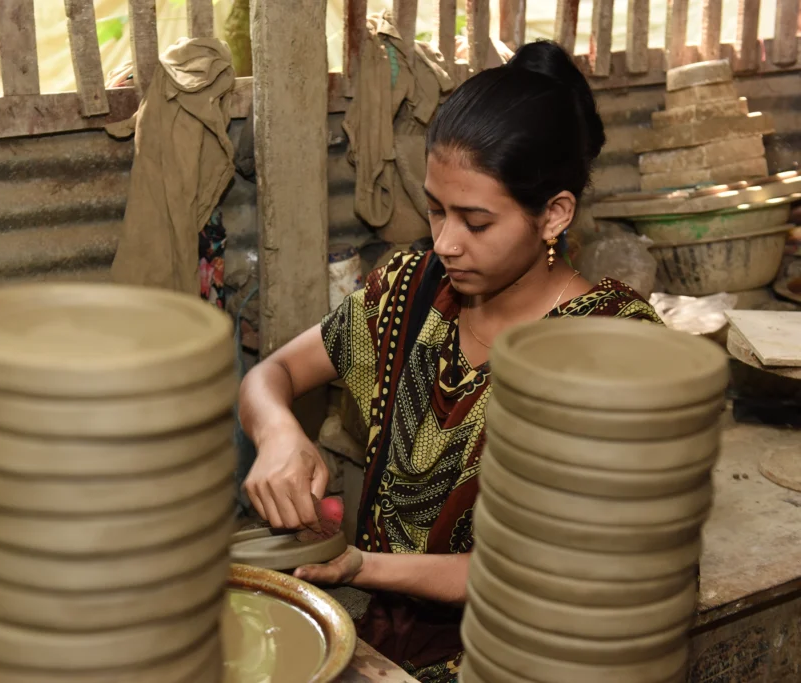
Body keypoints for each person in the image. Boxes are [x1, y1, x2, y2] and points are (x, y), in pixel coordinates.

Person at [238, 40, 662, 683]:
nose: (446, 242)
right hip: (390, 641)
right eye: (436, 209)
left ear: (554, 214)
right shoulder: (413, 290)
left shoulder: (613, 352)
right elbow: (274, 375)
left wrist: (358, 566)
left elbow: (550, 580)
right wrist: (277, 434)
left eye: (476, 221)